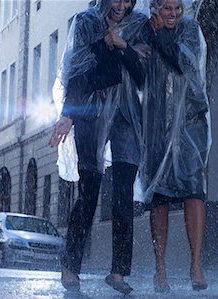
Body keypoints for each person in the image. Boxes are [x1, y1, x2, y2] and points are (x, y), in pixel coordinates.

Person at [49, 0, 148, 294]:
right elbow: (76, 71)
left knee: (123, 194)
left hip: (128, 114)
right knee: (89, 191)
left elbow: (144, 73)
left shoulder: (139, 25)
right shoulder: (85, 23)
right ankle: (70, 265)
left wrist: (122, 45)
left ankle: (118, 272)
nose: (122, 5)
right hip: (91, 113)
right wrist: (67, 115)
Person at [136, 0, 211, 292]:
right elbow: (138, 71)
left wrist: (159, 36)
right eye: (166, 8)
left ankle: (195, 264)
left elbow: (183, 63)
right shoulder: (143, 29)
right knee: (159, 195)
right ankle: (161, 269)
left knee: (194, 189)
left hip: (190, 119)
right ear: (154, 8)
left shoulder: (191, 29)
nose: (173, 13)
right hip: (155, 122)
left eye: (177, 8)